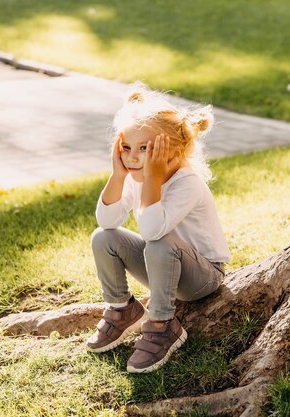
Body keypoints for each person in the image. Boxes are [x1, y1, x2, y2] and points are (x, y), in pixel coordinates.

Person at [87, 82, 230, 373]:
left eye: (145, 149)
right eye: (127, 148)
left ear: (174, 154)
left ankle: (163, 324)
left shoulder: (187, 183)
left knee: (160, 242)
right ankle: (122, 309)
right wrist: (118, 176)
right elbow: (107, 221)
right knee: (103, 238)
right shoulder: (134, 176)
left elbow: (154, 233)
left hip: (201, 277)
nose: (134, 157)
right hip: (162, 266)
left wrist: (151, 181)